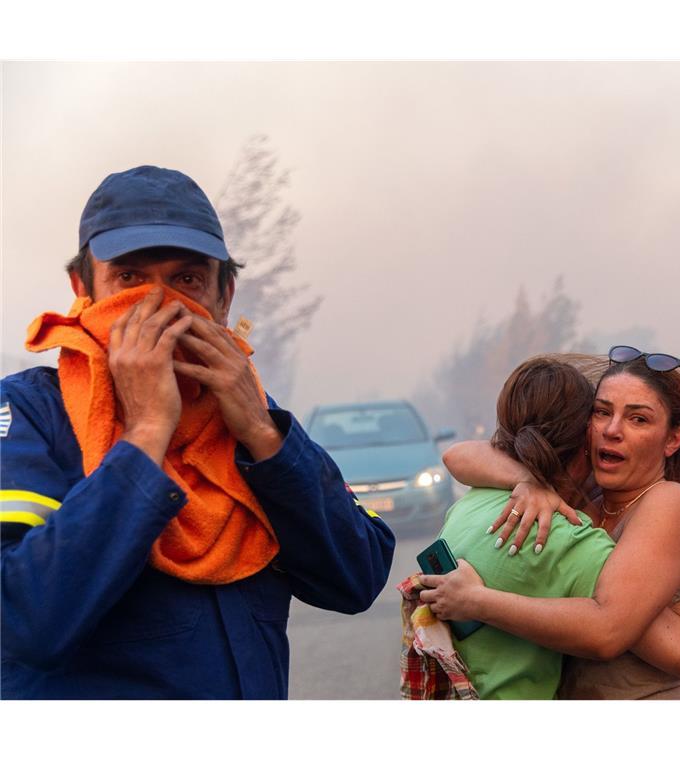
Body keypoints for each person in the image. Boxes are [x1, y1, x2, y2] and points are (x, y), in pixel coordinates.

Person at [0, 165, 396, 699]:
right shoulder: (30, 414)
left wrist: (262, 430)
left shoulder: (248, 417)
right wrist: (146, 433)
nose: (160, 305)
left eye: (187, 280)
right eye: (130, 279)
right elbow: (26, 621)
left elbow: (357, 578)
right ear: (83, 288)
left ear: (223, 296)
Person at [405, 355, 680, 699]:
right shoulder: (585, 491)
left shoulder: (666, 502)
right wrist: (529, 480)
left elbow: (620, 635)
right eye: (602, 412)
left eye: (638, 419)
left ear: (672, 439)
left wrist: (478, 602)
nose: (612, 430)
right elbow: (459, 455)